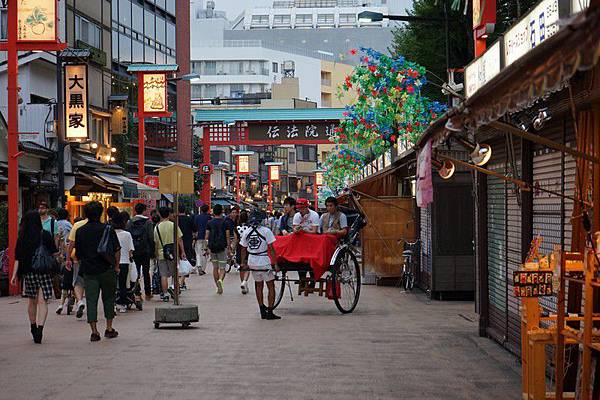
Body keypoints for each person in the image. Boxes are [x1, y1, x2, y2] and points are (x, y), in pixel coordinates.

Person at [74, 201, 121, 342]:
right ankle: (109, 328)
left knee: (91, 300)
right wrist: (116, 265)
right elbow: (117, 249)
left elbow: (78, 253)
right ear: (101, 213)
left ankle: (94, 331)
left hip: (89, 270)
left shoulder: (80, 231)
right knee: (108, 298)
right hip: (107, 269)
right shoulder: (108, 229)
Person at [11, 210, 58, 343]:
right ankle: (40, 329)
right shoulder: (46, 235)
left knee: (32, 300)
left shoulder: (22, 238)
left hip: (29, 272)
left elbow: (18, 258)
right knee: (43, 301)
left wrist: (14, 275)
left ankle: (33, 327)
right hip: (43, 271)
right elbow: (54, 253)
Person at [240, 209, 280, 320]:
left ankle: (262, 309)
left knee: (258, 285)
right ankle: (270, 311)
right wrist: (275, 263)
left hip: (252, 261)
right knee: (270, 286)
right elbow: (271, 249)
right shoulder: (266, 231)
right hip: (264, 261)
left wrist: (243, 262)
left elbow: (243, 249)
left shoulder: (247, 232)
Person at [154, 207, 186, 302]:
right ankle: (175, 289)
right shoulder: (173, 225)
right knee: (175, 273)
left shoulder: (157, 227)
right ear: (168, 214)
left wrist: (156, 254)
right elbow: (179, 239)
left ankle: (165, 294)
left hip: (161, 253)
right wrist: (182, 251)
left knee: (163, 275)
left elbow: (155, 243)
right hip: (173, 252)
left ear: (159, 214)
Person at [127, 203, 155, 300]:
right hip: (145, 250)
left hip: (134, 250)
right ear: (144, 210)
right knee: (146, 272)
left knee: (136, 272)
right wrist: (152, 250)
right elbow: (151, 237)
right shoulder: (148, 222)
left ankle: (137, 293)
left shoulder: (130, 222)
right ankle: (147, 293)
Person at [66, 213, 89, 319]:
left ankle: (79, 301)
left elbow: (71, 244)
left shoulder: (77, 225)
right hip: (95, 260)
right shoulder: (101, 226)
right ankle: (91, 306)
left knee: (78, 281)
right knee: (91, 281)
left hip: (78, 257)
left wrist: (67, 258)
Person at [205, 204, 231, 295]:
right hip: (222, 247)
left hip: (212, 248)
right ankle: (220, 280)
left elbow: (207, 236)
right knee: (222, 268)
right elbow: (227, 236)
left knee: (215, 267)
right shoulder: (225, 222)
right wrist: (229, 247)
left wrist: (206, 247)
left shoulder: (209, 223)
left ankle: (217, 285)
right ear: (222, 211)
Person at [113, 212, 135, 313]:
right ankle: (122, 304)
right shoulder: (127, 234)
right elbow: (131, 250)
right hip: (125, 262)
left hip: (112, 262)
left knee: (112, 285)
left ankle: (112, 304)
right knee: (123, 284)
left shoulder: (111, 233)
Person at [55, 208, 73, 315]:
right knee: (71, 277)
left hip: (57, 253)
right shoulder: (68, 225)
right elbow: (71, 239)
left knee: (61, 276)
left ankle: (60, 299)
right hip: (68, 253)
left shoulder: (55, 224)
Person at [177, 204, 195, 290]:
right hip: (187, 242)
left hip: (177, 243)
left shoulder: (175, 220)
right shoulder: (189, 219)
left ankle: (180, 282)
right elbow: (194, 229)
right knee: (185, 262)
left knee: (178, 263)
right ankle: (182, 282)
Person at [194, 204, 211, 276]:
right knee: (205, 253)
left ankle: (198, 265)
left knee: (198, 252)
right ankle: (203, 269)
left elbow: (195, 226)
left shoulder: (197, 217)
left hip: (198, 237)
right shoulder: (209, 217)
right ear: (207, 210)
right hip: (207, 237)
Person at [236, 210, 250, 294]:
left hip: (239, 248)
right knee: (247, 267)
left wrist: (232, 250)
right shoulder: (250, 228)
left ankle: (242, 283)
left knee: (241, 267)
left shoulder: (236, 228)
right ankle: (245, 281)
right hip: (248, 248)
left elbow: (235, 240)